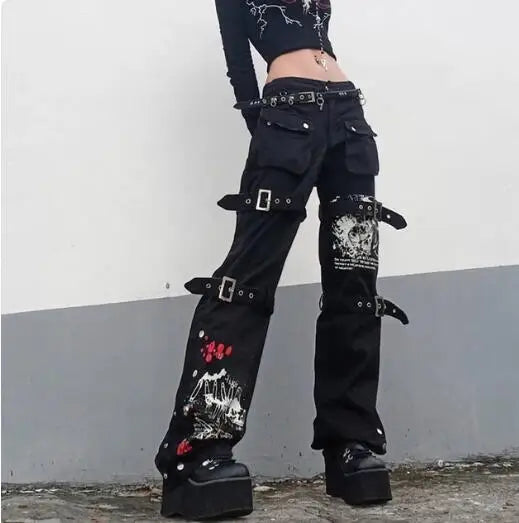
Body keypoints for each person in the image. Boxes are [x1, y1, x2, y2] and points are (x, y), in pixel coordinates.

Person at [155, 0, 409, 519]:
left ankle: (350, 443)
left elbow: (319, 38)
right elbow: (238, 60)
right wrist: (266, 122)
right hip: (287, 113)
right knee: (245, 282)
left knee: (355, 286)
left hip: (349, 116)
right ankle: (197, 451)